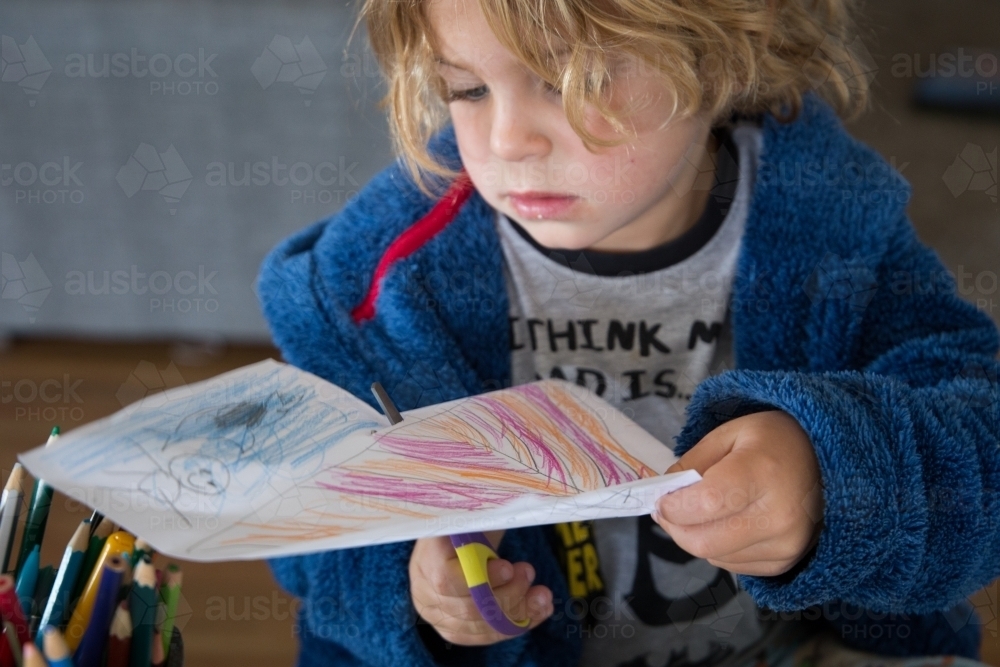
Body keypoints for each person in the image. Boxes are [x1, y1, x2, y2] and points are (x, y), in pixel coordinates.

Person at [256, 0, 1000, 665]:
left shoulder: (837, 228)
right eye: (467, 90)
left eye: (570, 80)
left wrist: (834, 482)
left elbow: (982, 448)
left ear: (718, 48)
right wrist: (414, 587)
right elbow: (311, 533)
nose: (508, 139)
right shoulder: (377, 287)